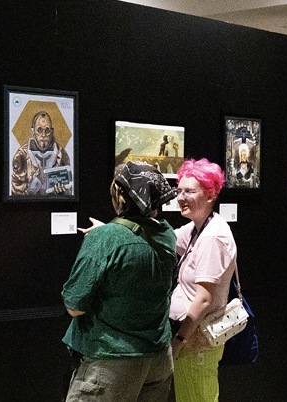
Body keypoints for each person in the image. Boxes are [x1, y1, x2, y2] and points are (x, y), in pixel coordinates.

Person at [62, 161, 178, 402]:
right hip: (158, 359)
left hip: (111, 362)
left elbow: (74, 306)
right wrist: (107, 233)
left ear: (122, 196)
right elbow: (139, 237)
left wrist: (101, 236)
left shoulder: (105, 238)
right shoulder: (167, 234)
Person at [168, 158, 237, 402]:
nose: (181, 197)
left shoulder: (211, 236)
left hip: (196, 343)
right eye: (179, 191)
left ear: (210, 194)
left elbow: (204, 299)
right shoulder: (197, 228)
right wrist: (113, 230)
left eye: (189, 191)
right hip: (193, 340)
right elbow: (163, 238)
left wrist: (178, 341)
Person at [11, 111, 71, 196]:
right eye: (39, 130)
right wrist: (32, 189)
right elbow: (15, 196)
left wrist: (62, 192)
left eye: (47, 131)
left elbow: (70, 193)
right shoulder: (21, 156)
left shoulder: (61, 154)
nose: (43, 135)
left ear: (52, 132)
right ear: (33, 132)